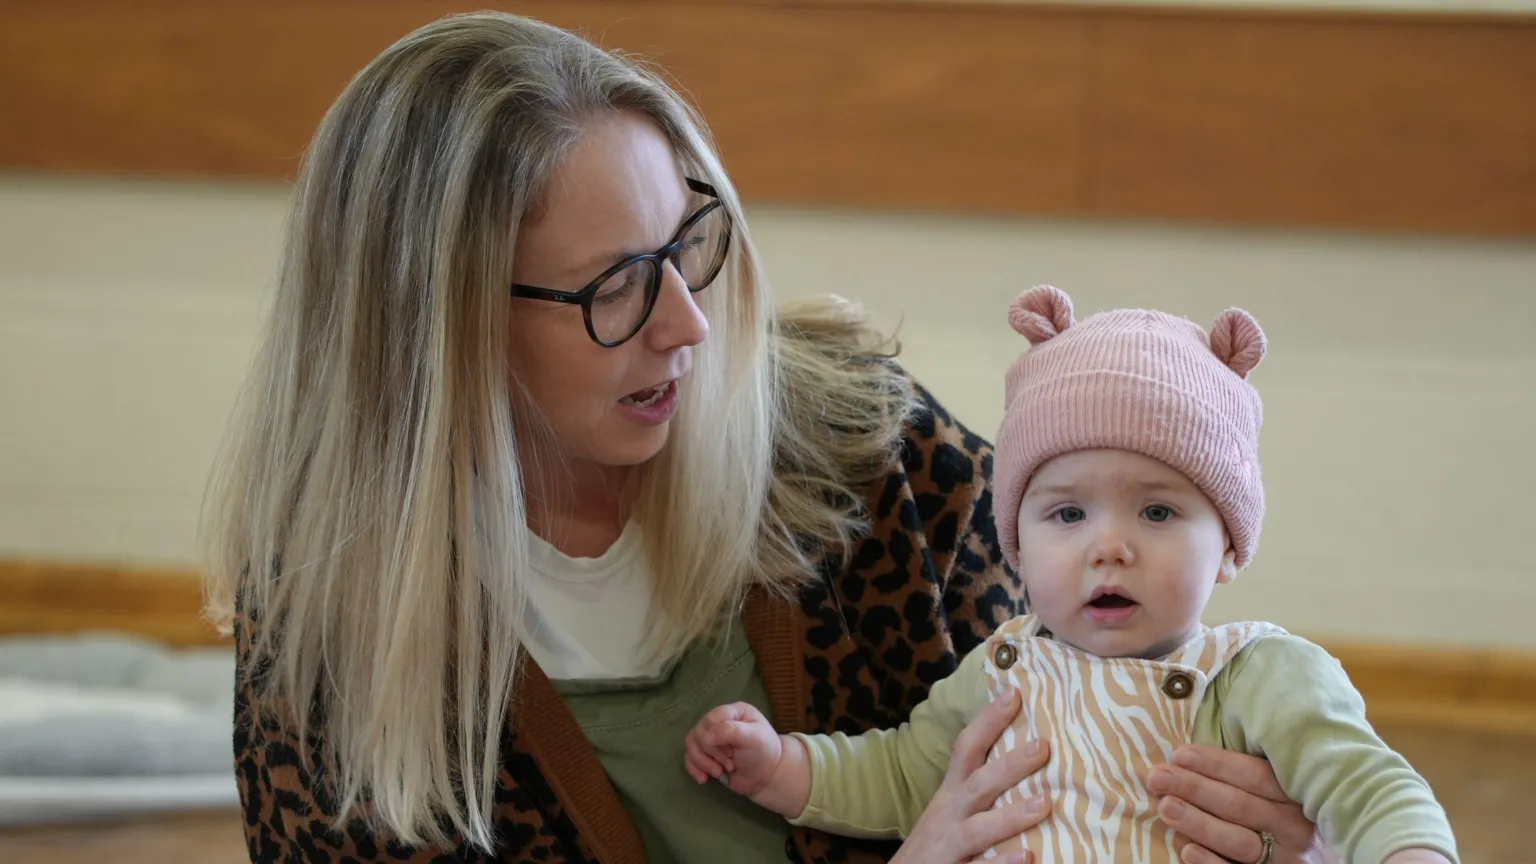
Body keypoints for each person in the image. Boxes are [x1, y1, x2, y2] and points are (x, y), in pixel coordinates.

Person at [202, 10, 1343, 864]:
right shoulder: (333, 630)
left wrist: (1274, 825)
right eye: (614, 289)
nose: (689, 324)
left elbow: (1112, 730)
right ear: (429, 335)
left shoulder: (878, 459)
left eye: (689, 244)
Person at [686, 286, 1459, 864]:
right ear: (1014, 543)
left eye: (1157, 514)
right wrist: (783, 765)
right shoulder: (1001, 671)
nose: (1109, 547)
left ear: (1227, 547)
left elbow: (1367, 786)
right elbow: (902, 773)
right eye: (1067, 515)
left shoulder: (1255, 674)